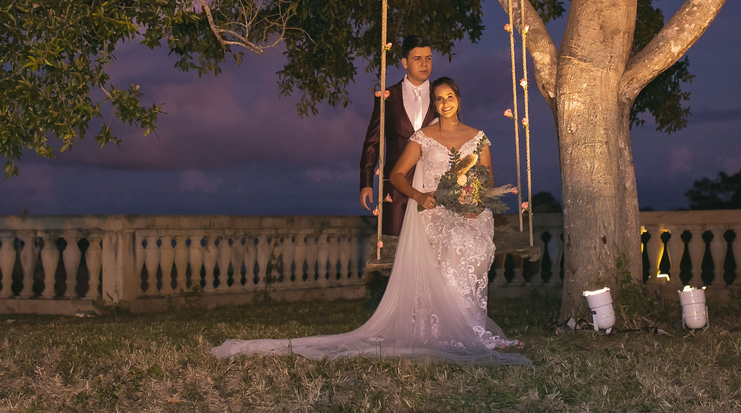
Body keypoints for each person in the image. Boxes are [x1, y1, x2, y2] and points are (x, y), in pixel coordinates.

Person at [211, 77, 530, 365]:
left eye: (450, 97)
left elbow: (485, 180)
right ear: (434, 104)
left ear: (459, 98)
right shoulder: (424, 136)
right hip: (433, 210)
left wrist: (473, 201)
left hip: (471, 212)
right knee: (455, 240)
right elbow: (396, 175)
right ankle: (448, 330)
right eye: (439, 99)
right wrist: (420, 197)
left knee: (473, 241)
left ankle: (469, 327)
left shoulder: (479, 137)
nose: (445, 103)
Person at [359, 35, 436, 236]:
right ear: (404, 62)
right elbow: (373, 140)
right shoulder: (388, 97)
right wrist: (366, 182)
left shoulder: (441, 95)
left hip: (434, 184)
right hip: (396, 186)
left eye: (428, 58)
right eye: (417, 58)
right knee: (394, 247)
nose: (424, 64)